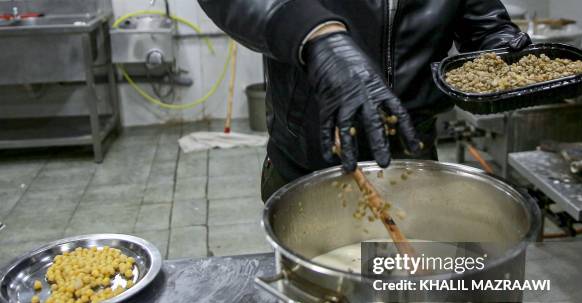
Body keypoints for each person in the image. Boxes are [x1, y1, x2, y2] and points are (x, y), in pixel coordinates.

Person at [197, 0, 531, 201]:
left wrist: (496, 44)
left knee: (405, 299)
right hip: (308, 161)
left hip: (412, 157)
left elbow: (482, 20)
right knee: (320, 302)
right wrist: (313, 35)